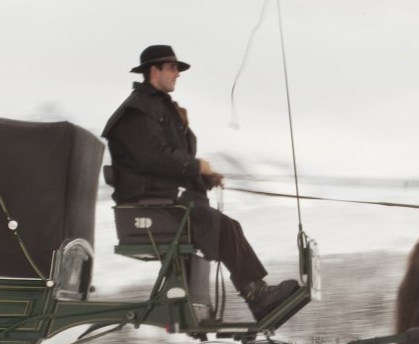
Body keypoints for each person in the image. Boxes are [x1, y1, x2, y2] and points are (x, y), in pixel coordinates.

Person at [102, 44, 299, 321]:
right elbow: (153, 159)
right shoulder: (136, 112)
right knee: (222, 226)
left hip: (164, 200)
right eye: (171, 68)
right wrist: (197, 166)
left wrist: (203, 175)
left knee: (227, 226)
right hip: (148, 205)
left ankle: (257, 294)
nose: (177, 74)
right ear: (153, 70)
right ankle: (256, 294)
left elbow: (171, 157)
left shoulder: (158, 107)